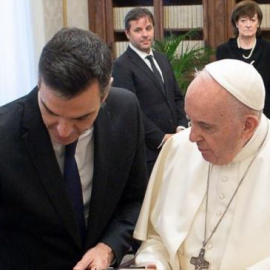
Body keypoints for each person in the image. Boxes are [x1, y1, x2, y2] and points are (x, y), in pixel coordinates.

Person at [0, 27, 148, 270]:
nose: (63, 131)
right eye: (51, 112)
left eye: (81, 118)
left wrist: (107, 248)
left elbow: (135, 201)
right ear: (39, 83)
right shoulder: (4, 134)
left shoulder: (126, 111)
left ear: (106, 92)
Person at [133, 59, 270, 270]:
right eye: (190, 121)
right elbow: (156, 237)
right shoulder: (178, 149)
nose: (192, 137)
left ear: (247, 126)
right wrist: (155, 263)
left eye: (206, 126)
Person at [112, 7, 188, 177]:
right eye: (138, 30)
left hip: (176, 145)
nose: (145, 34)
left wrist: (181, 127)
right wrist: (161, 139)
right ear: (127, 33)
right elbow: (131, 112)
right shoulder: (121, 66)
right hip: (149, 152)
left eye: (148, 28)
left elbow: (176, 96)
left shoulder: (162, 58)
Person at [216, 0, 270, 118]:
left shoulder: (267, 49)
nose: (248, 25)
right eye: (243, 20)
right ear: (236, 23)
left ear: (258, 23)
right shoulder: (223, 51)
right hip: (233, 113)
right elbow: (221, 88)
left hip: (266, 111)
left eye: (252, 20)